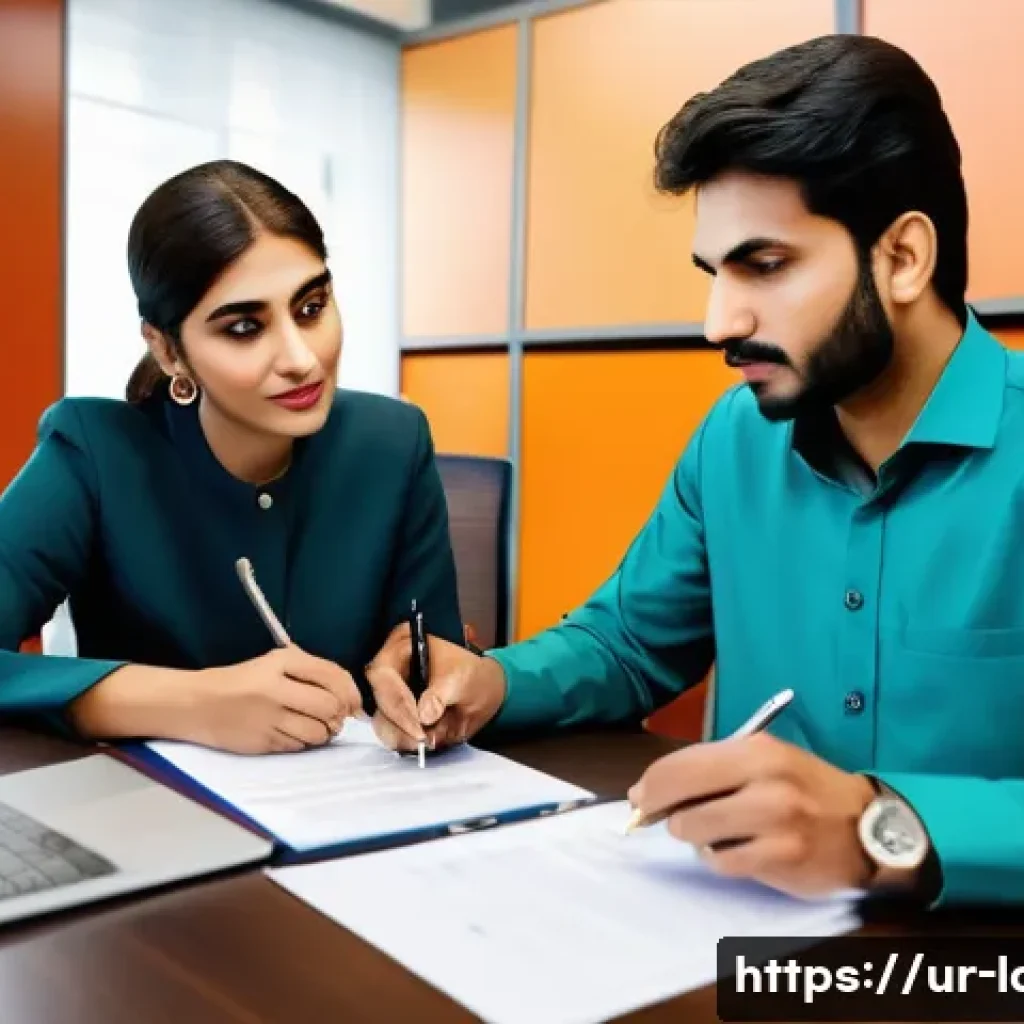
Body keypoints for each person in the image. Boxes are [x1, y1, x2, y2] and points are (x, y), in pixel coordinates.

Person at [366, 33, 1024, 909]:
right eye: (713, 272)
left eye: (765, 264)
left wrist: (883, 824)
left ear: (902, 258)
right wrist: (492, 682)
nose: (718, 322)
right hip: (735, 939)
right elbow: (627, 645)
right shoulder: (736, 436)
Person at [0, 159, 463, 754]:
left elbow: (436, 652)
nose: (301, 358)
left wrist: (434, 684)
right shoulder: (93, 450)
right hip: (150, 822)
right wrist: (193, 704)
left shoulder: (394, 441)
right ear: (168, 350)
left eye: (311, 307)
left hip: (360, 818)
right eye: (245, 327)